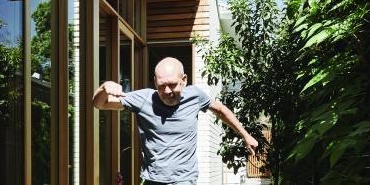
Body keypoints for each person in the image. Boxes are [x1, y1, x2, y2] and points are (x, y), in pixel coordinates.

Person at [93, 57, 258, 185]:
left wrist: (245, 135)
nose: (167, 91)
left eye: (172, 85)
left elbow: (221, 109)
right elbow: (99, 104)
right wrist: (104, 87)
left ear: (184, 80)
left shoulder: (196, 96)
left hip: (184, 180)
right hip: (152, 180)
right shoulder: (144, 98)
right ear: (155, 82)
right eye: (161, 86)